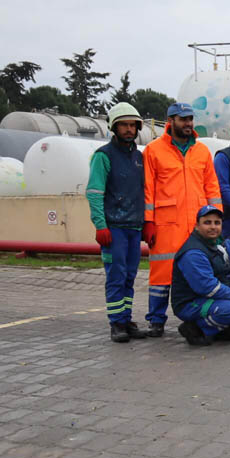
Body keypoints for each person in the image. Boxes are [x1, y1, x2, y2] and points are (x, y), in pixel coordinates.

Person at [143, 102, 222, 336]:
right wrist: (148, 221)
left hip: (197, 225)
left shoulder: (202, 151)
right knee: (161, 272)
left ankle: (196, 317)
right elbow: (147, 189)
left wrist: (216, 221)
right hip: (166, 224)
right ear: (170, 121)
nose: (188, 123)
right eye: (183, 119)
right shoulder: (153, 150)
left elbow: (212, 188)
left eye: (190, 119)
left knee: (199, 271)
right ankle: (156, 320)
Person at [87, 102, 148, 343]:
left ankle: (126, 318)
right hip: (114, 228)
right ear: (114, 127)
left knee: (130, 276)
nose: (129, 129)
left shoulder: (139, 157)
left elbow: (143, 192)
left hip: (134, 227)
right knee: (116, 276)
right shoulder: (103, 156)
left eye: (133, 125)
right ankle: (116, 323)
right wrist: (100, 225)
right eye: (124, 125)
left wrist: (145, 223)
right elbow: (94, 192)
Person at [171, 206, 230, 346]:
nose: (213, 227)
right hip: (191, 302)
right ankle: (196, 329)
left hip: (211, 295)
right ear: (197, 226)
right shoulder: (193, 253)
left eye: (217, 223)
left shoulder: (219, 242)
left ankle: (225, 328)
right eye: (207, 222)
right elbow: (208, 288)